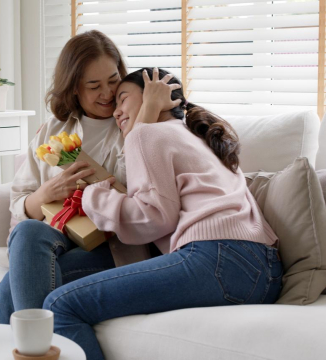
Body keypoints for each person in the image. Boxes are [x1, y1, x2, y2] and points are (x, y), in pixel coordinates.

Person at [42, 68, 283, 360]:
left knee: (60, 304)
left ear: (152, 98)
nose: (116, 112)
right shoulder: (196, 135)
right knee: (47, 281)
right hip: (265, 272)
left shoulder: (147, 134)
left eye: (122, 98)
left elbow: (154, 218)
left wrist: (94, 195)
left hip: (216, 259)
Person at [0, 32, 179, 324]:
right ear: (75, 88)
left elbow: (149, 198)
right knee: (28, 233)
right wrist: (45, 194)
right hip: (59, 237)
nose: (107, 93)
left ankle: (31, 351)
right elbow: (20, 201)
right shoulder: (52, 130)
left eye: (113, 80)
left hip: (115, 246)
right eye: (94, 86)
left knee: (9, 288)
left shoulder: (139, 123)